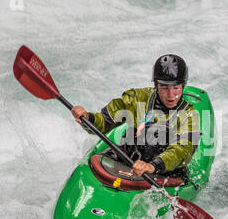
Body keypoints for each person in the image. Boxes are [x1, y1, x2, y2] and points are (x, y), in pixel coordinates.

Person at [71, 54, 200, 178]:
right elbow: (104, 121)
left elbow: (182, 150)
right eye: (165, 88)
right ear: (156, 85)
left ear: (183, 86)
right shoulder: (137, 98)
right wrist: (87, 118)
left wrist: (152, 166)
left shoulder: (189, 115)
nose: (171, 94)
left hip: (162, 171)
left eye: (176, 88)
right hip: (128, 158)